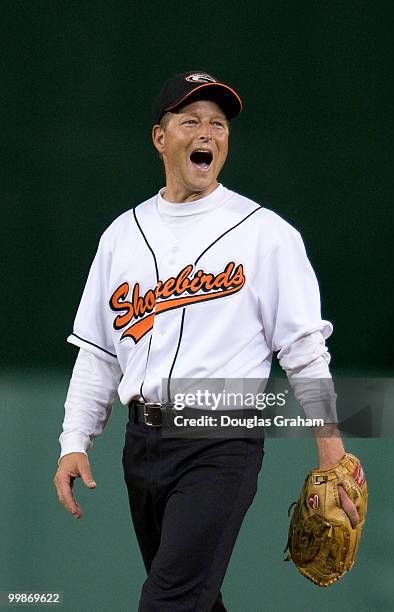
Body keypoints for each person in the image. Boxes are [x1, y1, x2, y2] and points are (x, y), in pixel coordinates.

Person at [54, 71, 359, 611]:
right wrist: (74, 441)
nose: (207, 132)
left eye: (217, 124)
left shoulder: (266, 234)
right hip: (141, 442)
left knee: (167, 601)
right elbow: (100, 354)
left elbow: (304, 349)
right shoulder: (122, 233)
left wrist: (332, 451)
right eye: (190, 120)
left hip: (221, 439)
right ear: (159, 137)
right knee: (195, 599)